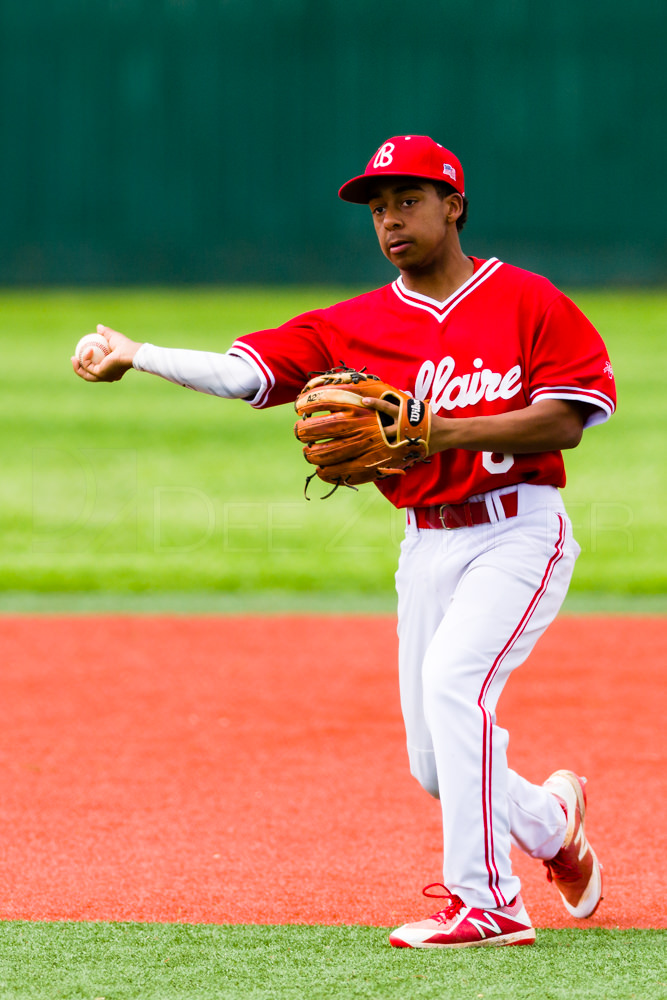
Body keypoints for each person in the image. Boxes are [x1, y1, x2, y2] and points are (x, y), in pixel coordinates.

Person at [73, 134, 616, 948]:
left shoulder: (527, 300)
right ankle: (549, 822)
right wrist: (136, 353)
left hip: (517, 531)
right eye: (376, 208)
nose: (389, 220)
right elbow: (244, 372)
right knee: (435, 765)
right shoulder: (351, 325)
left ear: (452, 205)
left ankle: (488, 903)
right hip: (424, 545)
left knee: (453, 687)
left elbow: (566, 420)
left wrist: (436, 433)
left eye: (406, 200)